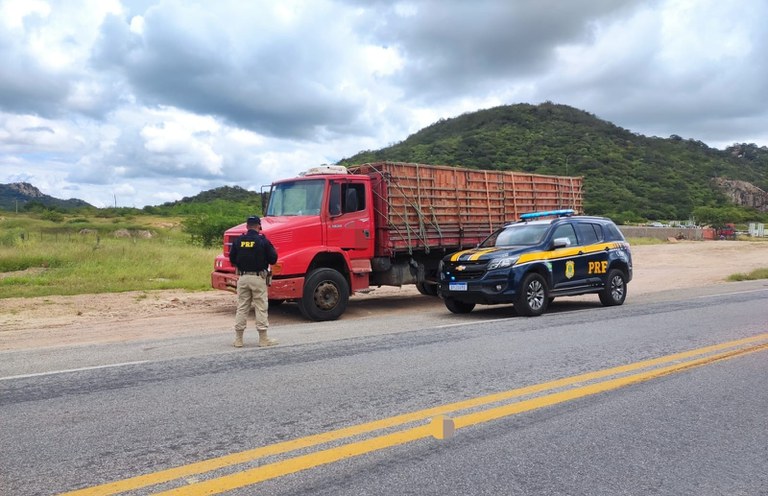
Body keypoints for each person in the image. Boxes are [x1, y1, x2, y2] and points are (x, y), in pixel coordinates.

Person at [228, 215, 279, 348]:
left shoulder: (239, 241)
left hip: (243, 278)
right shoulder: (262, 241)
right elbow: (273, 259)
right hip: (258, 278)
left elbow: (232, 258)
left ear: (247, 226)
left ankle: (238, 340)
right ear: (258, 226)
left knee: (242, 308)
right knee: (261, 307)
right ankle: (263, 339)